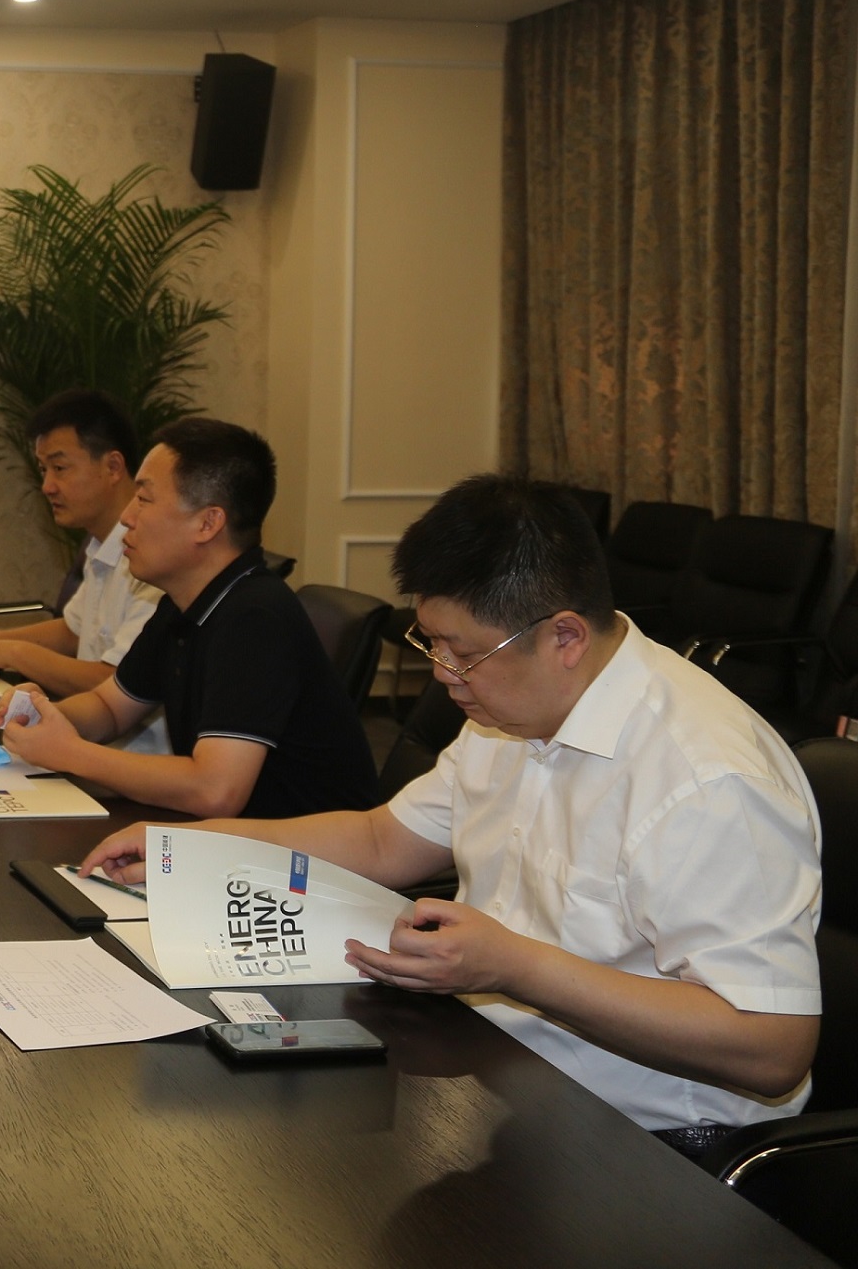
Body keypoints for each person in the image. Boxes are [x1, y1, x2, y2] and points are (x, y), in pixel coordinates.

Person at [82, 476, 821, 1147]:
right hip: (494, 1069)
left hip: (650, 1141)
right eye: (431, 643)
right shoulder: (512, 711)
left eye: (461, 653)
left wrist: (515, 966)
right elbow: (381, 839)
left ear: (564, 636)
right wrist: (195, 846)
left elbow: (773, 1046)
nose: (443, 676)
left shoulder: (708, 778)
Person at [0, 418, 377, 818]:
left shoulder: (255, 618)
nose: (126, 517)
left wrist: (70, 753)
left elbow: (215, 790)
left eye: (143, 499)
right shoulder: (183, 603)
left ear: (207, 523)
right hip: (228, 839)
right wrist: (44, 715)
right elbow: (109, 708)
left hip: (299, 853)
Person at [0, 389, 159, 699]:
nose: (47, 486)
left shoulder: (155, 558)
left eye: (60, 468)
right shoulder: (101, 544)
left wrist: (12, 653)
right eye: (43, 470)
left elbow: (118, 684)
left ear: (113, 467)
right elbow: (72, 631)